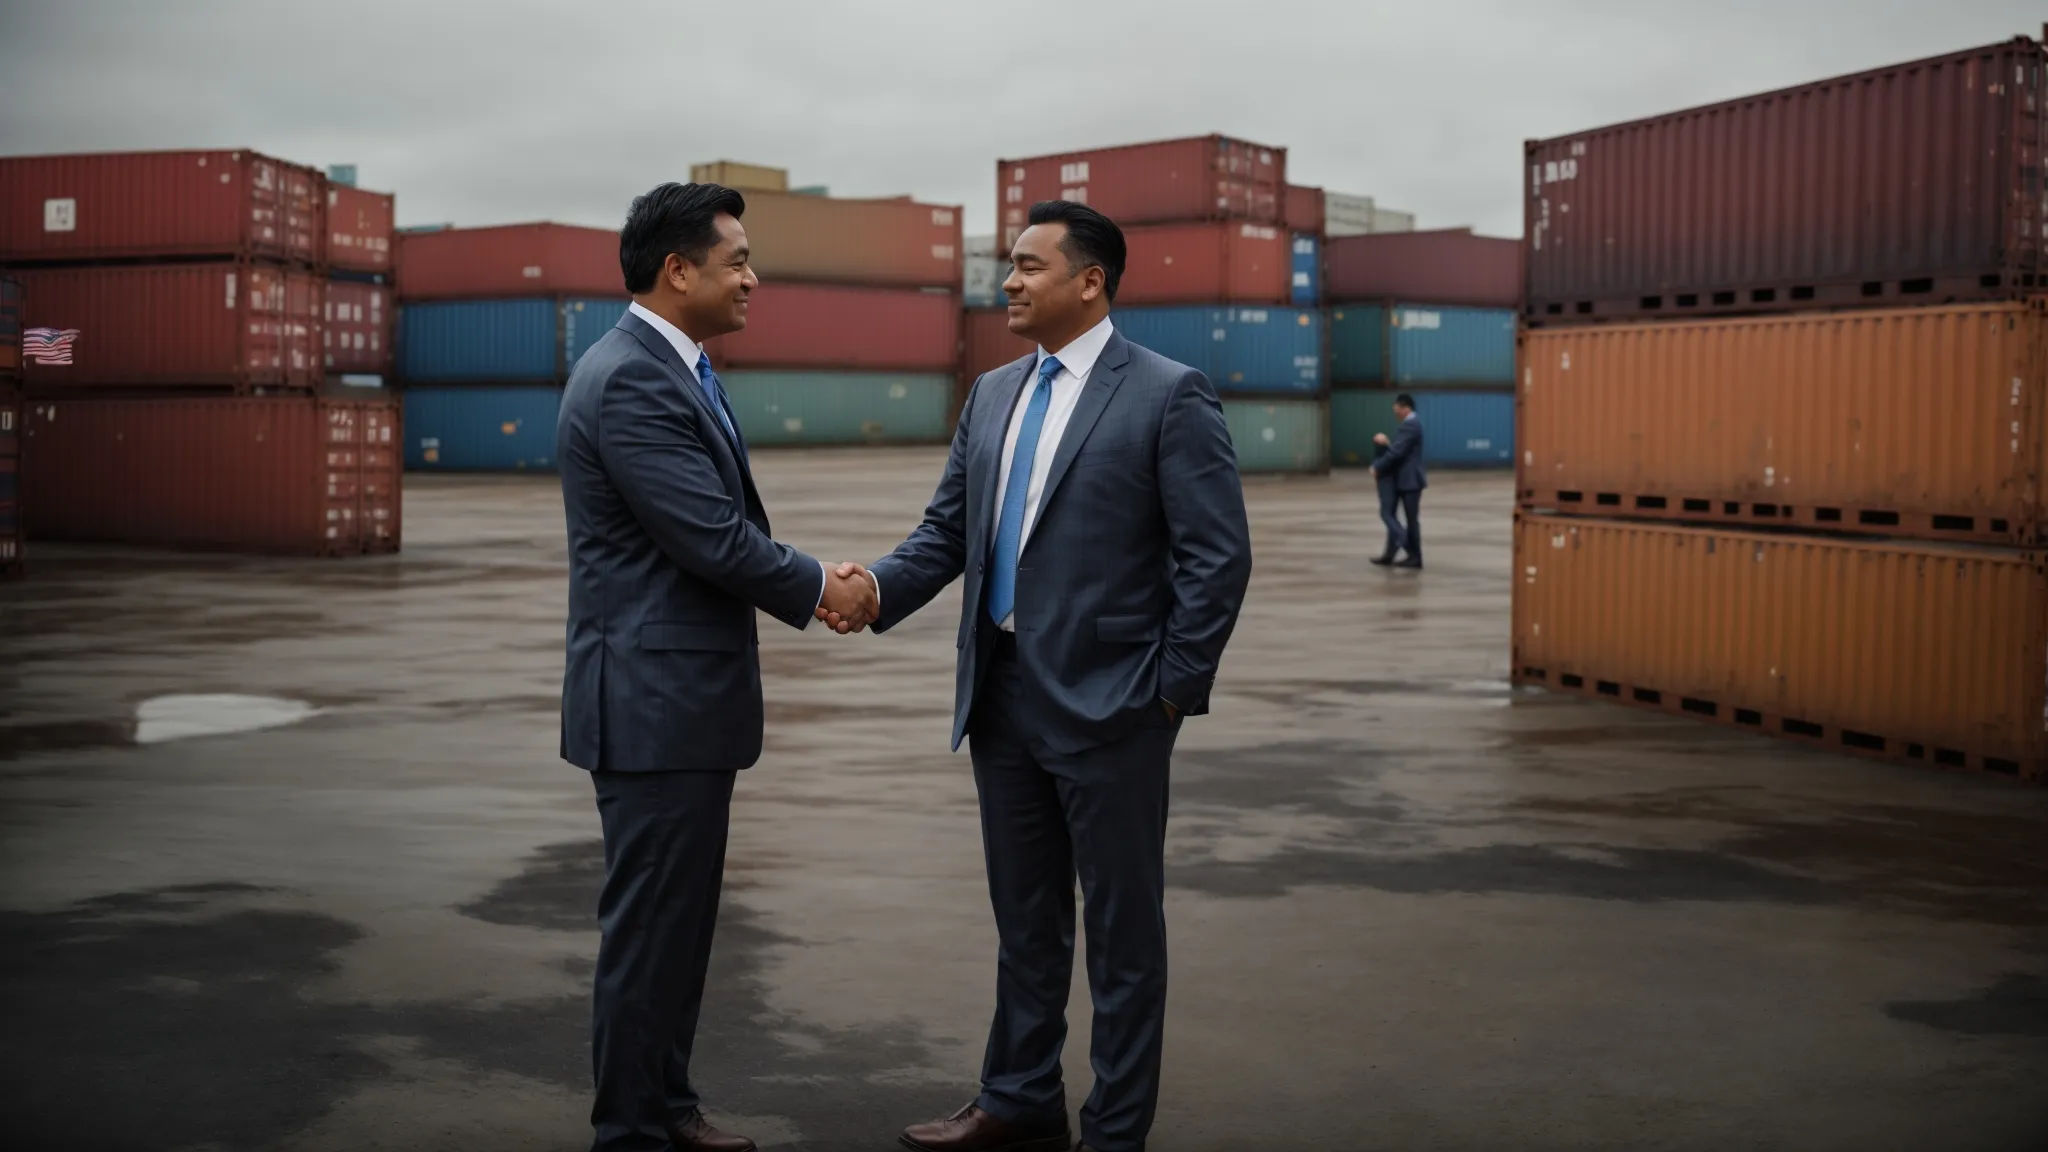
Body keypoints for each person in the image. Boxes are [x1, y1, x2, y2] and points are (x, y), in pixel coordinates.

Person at [824, 200, 1253, 1152]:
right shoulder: (993, 391)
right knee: (1026, 920)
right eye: (1006, 267)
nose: (1008, 282)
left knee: (1123, 940)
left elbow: (1216, 559)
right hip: (1002, 694)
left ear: (1090, 280)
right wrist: (870, 592)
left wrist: (1170, 693)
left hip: (1118, 706)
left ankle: (1115, 1131)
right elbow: (947, 532)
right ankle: (1017, 1099)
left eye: (1027, 266)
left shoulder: (1168, 393)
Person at [555, 181, 878, 1152]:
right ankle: (631, 1131)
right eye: (736, 259)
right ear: (677, 269)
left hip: (679, 704)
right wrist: (828, 583)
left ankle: (665, 1105)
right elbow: (711, 538)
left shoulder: (676, 367)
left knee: (679, 931)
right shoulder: (632, 380)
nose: (751, 277)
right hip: (652, 708)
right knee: (651, 933)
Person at [1370, 393, 1426, 569]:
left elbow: (1397, 452)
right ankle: (1390, 554)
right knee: (1394, 515)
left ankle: (1414, 555)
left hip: (1410, 481)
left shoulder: (1411, 425)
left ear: (1405, 408)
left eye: (1397, 410)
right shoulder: (1409, 425)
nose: (1396, 414)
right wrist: (1387, 443)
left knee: (1411, 520)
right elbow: (1399, 449)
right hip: (1403, 479)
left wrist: (1377, 466)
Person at [1369, 434, 1401, 565]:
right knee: (1390, 515)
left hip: (1388, 484)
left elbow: (1386, 459)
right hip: (1390, 484)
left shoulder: (1388, 453)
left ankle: (1402, 536)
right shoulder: (1389, 449)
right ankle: (1389, 554)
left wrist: (1375, 467)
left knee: (1386, 514)